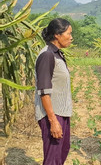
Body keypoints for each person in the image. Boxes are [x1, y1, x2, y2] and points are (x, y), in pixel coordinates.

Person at [34, 18, 73, 165]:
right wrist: (53, 121)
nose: (71, 37)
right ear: (57, 34)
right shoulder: (47, 55)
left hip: (60, 113)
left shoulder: (57, 54)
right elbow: (43, 91)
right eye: (68, 33)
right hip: (52, 114)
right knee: (53, 159)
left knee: (61, 153)